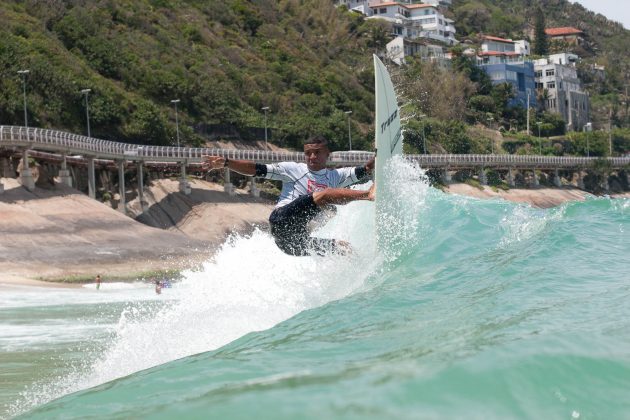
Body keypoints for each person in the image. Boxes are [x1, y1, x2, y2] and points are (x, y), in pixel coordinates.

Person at [203, 135, 375, 256]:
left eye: (317, 152)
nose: (312, 157)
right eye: (308, 153)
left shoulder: (337, 176)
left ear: (327, 154)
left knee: (343, 248)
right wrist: (226, 163)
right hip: (282, 221)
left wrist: (379, 157)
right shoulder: (292, 169)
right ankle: (369, 195)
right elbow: (256, 169)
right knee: (325, 196)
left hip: (293, 244)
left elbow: (365, 170)